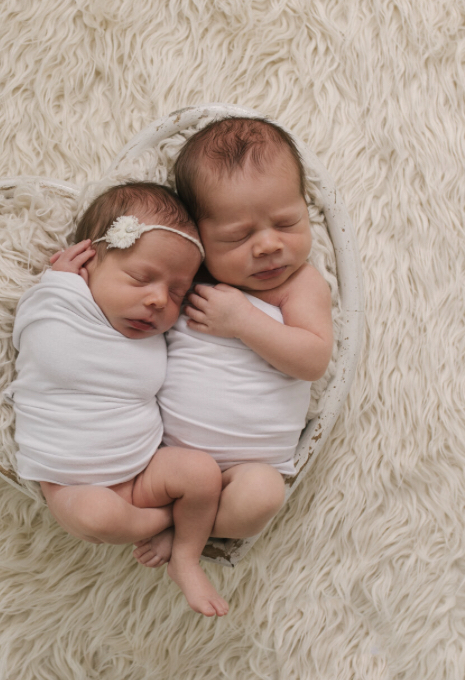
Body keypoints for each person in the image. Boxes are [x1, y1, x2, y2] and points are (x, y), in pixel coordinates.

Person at [6, 182, 229, 617]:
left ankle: (184, 557)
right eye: (141, 278)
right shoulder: (64, 300)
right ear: (88, 263)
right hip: (73, 482)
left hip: (143, 470)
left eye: (177, 293)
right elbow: (34, 319)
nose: (157, 299)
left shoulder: (160, 332)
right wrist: (60, 278)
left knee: (202, 473)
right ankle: (170, 521)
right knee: (97, 518)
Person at [134, 117, 334, 566]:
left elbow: (313, 359)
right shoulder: (190, 278)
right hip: (170, 455)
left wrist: (245, 321)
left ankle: (185, 529)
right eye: (237, 236)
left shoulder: (299, 285)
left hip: (251, 468)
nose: (267, 246)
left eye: (286, 223)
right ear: (199, 236)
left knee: (262, 500)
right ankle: (165, 515)